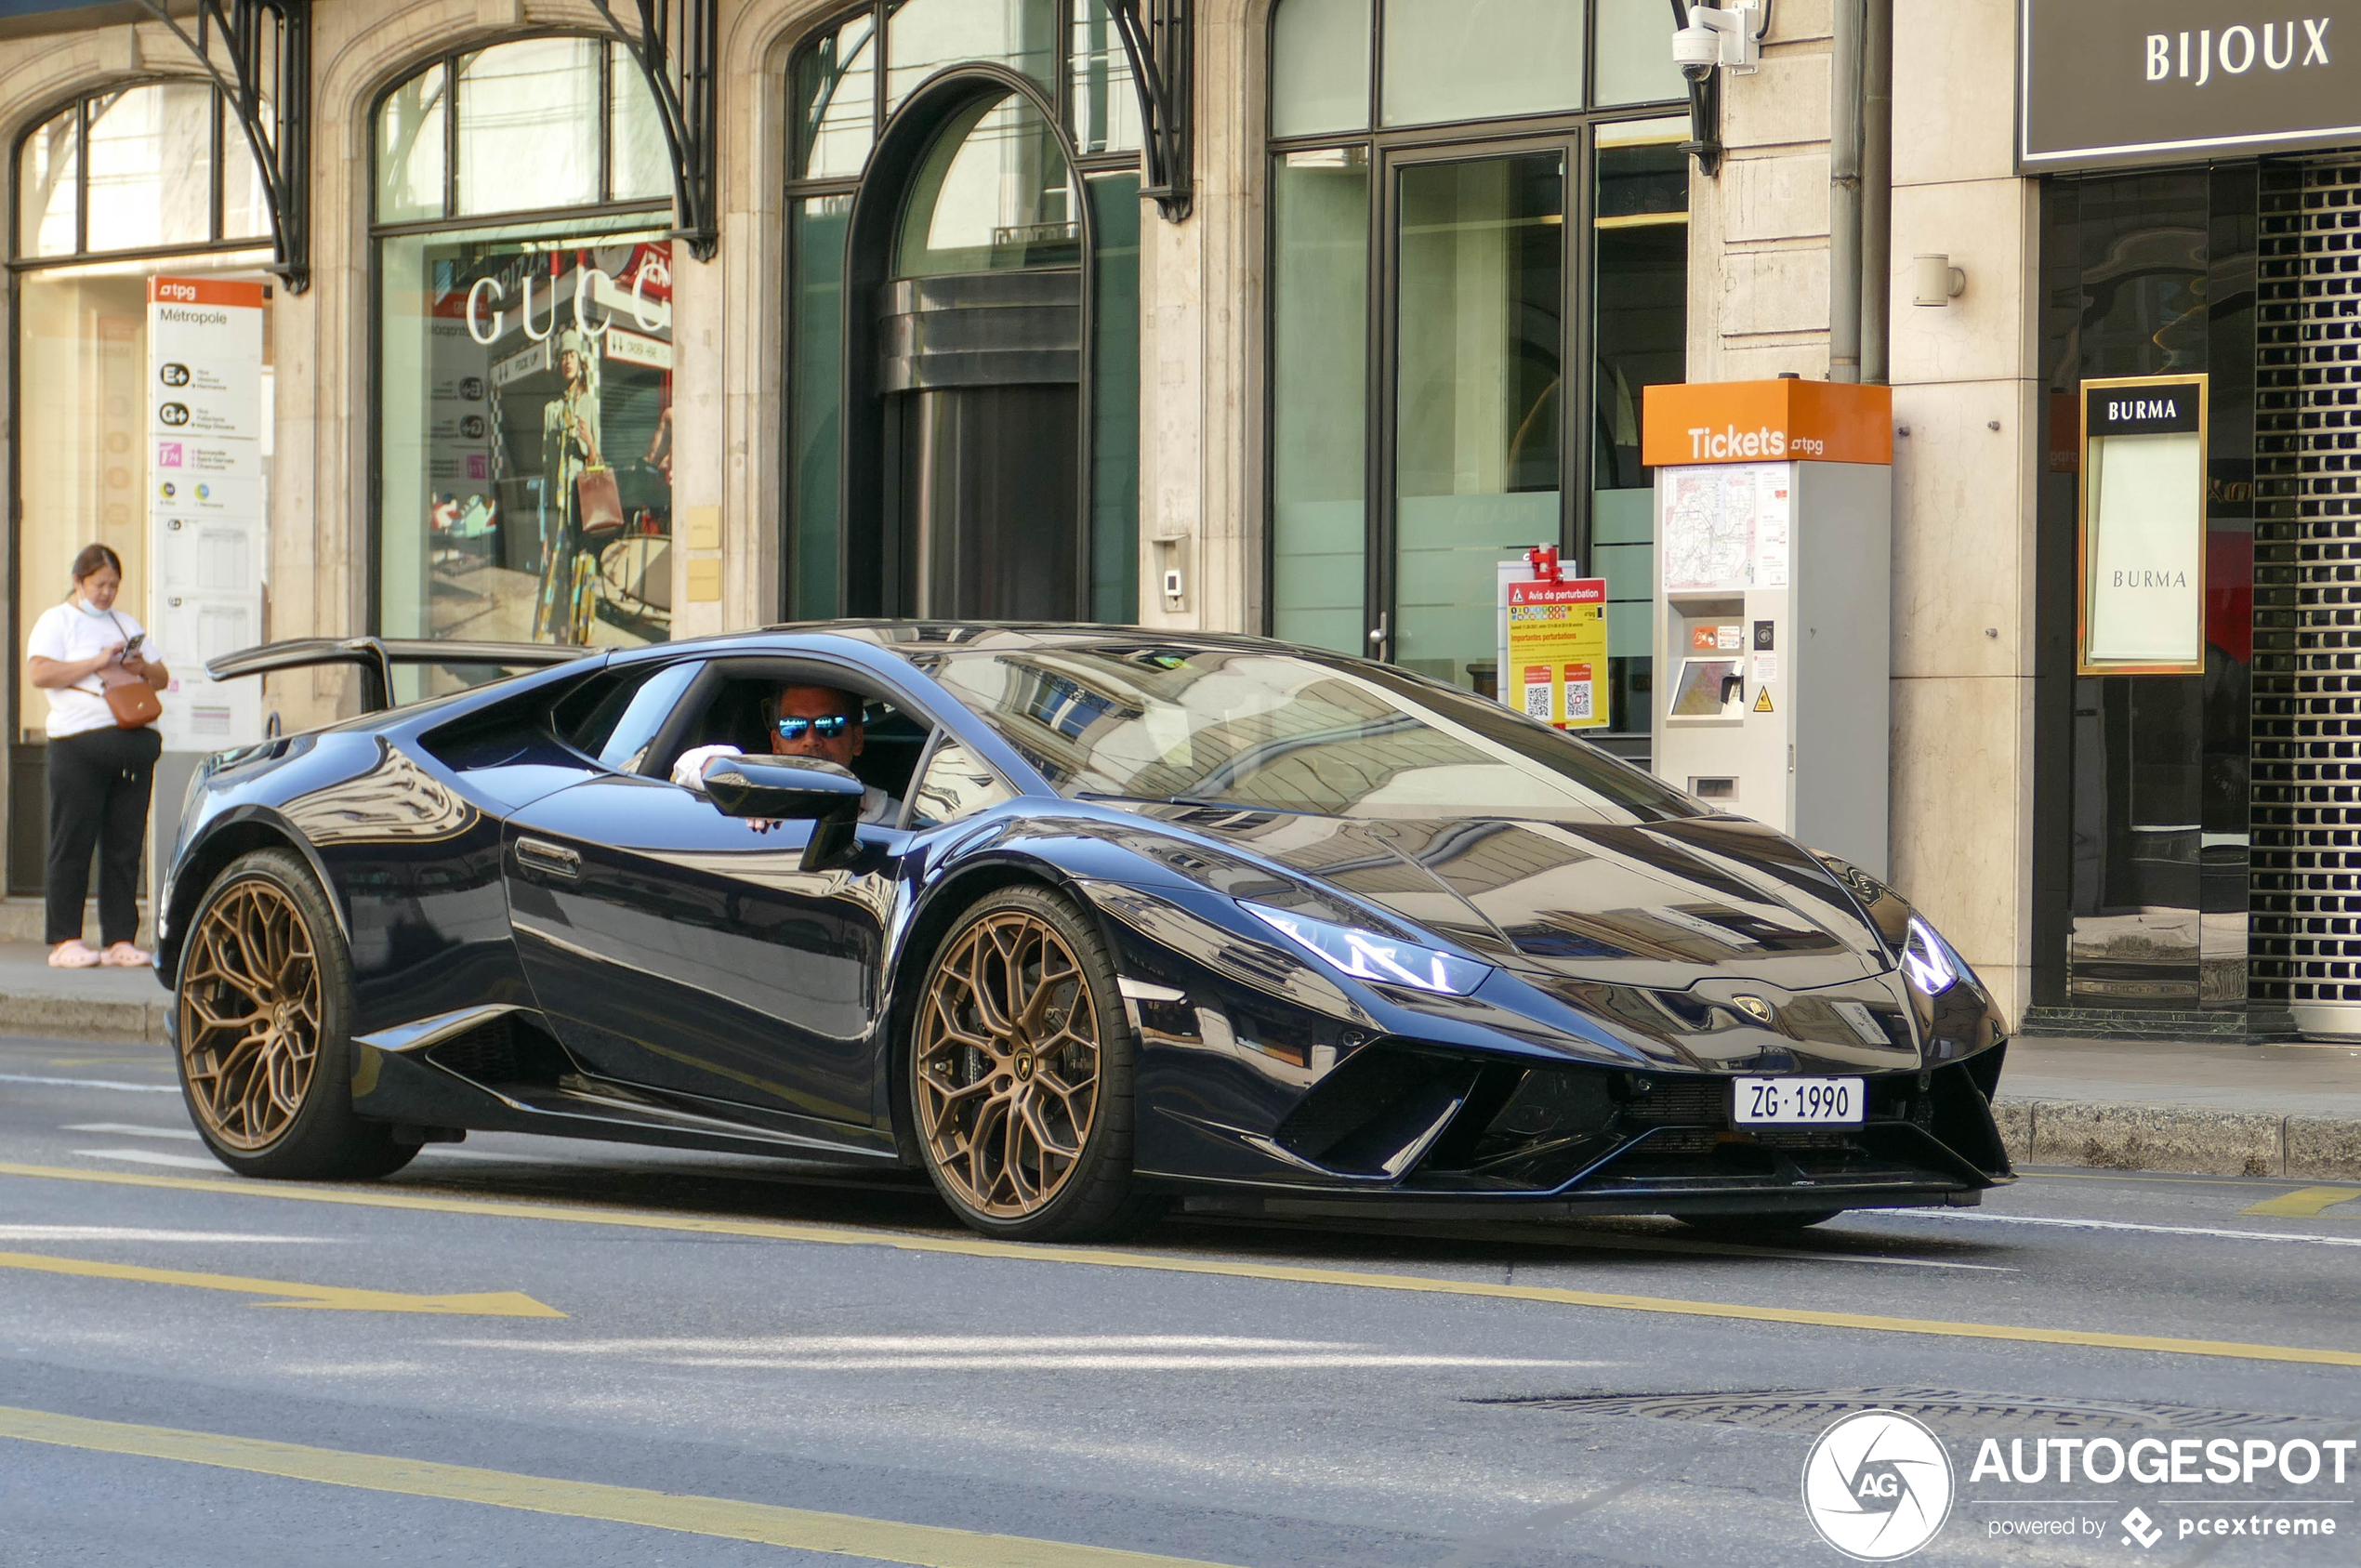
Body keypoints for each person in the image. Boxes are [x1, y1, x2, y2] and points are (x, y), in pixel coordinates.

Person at [25, 544, 169, 968]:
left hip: (130, 744)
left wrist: (140, 666)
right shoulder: (58, 620)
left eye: (113, 585)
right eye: (99, 584)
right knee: (73, 842)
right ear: (78, 582)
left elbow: (161, 677)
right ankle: (65, 939)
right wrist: (95, 662)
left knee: (125, 845)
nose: (106, 593)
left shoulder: (125, 623)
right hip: (77, 745)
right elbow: (39, 673)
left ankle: (120, 938)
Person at [670, 683, 899, 825]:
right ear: (776, 743)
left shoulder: (899, 820)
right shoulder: (754, 807)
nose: (810, 740)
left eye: (829, 724)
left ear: (857, 739)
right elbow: (687, 765)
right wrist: (742, 786)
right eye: (793, 726)